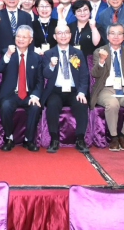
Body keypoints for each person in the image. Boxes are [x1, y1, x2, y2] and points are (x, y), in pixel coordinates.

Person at [90, 22, 124, 151]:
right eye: (112, 33)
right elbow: (94, 74)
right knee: (112, 104)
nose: (116, 36)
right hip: (106, 89)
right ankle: (114, 137)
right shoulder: (99, 51)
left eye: (119, 33)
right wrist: (101, 60)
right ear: (107, 36)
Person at [42, 22, 90, 153]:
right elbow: (45, 74)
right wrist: (51, 65)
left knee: (81, 104)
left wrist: (82, 92)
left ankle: (80, 139)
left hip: (74, 91)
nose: (63, 36)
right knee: (52, 104)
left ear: (70, 35)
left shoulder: (78, 53)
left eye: (66, 33)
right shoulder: (48, 53)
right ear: (55, 36)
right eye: (59, 33)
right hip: (56, 91)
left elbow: (84, 75)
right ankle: (54, 139)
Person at [0, 25, 43, 152]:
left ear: (30, 40)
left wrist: (35, 96)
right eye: (18, 36)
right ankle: (8, 138)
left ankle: (28, 140)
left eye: (24, 37)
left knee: (35, 106)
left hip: (28, 94)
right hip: (10, 94)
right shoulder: (7, 52)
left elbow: (39, 80)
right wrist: (7, 54)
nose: (20, 39)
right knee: (6, 106)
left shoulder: (36, 57)